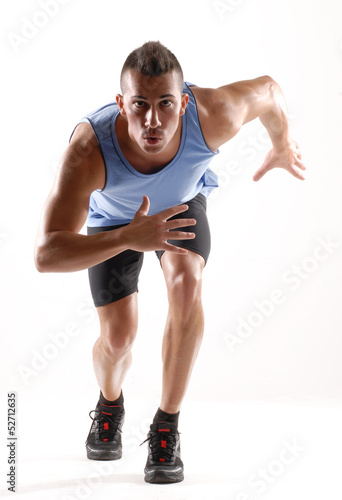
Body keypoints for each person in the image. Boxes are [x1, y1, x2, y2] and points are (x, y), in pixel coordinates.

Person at [34, 41, 306, 484]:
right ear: (121, 104)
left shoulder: (213, 113)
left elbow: (270, 91)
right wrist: (127, 236)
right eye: (139, 105)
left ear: (183, 102)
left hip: (180, 204)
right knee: (119, 338)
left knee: (185, 284)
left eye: (165, 104)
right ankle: (110, 402)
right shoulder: (89, 150)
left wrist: (281, 142)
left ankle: (167, 425)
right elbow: (46, 254)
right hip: (114, 222)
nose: (153, 120)